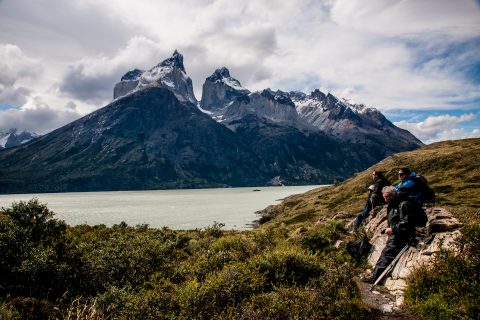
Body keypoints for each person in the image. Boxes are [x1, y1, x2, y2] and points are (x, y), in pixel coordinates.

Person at [362, 186, 416, 284]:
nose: (385, 199)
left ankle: (374, 278)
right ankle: (375, 274)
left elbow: (407, 222)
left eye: (386, 197)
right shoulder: (395, 203)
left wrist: (393, 229)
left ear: (392, 195)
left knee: (387, 254)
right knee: (385, 252)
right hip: (397, 233)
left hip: (402, 235)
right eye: (384, 197)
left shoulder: (403, 204)